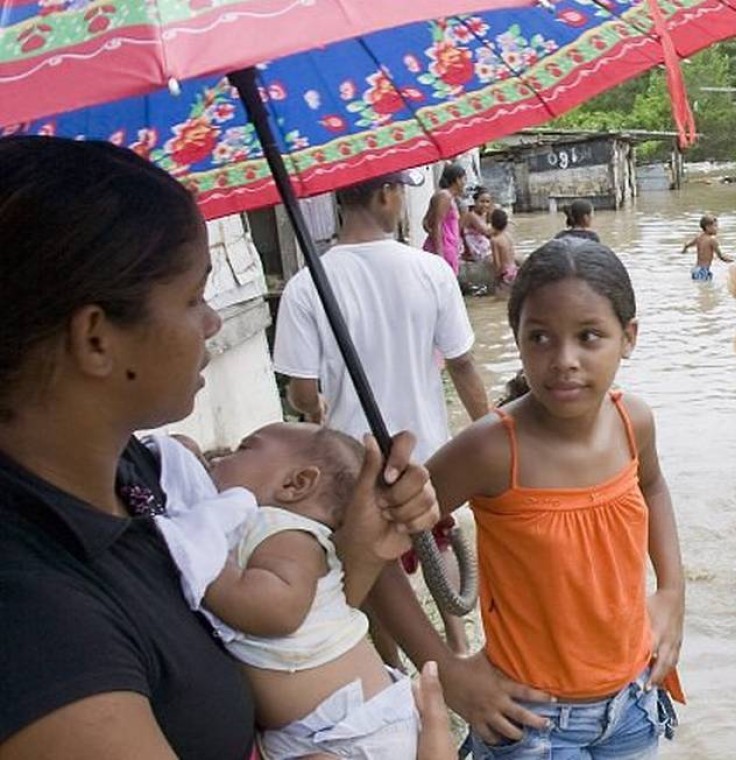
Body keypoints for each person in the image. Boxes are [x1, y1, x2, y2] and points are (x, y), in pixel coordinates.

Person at [0, 136, 444, 759]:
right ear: (96, 339)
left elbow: (280, 645)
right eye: (192, 297)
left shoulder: (148, 478)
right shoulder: (34, 619)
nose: (212, 322)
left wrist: (360, 547)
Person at [424, 239, 686, 758]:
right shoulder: (491, 449)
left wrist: (673, 591)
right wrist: (449, 671)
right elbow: (378, 542)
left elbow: (653, 486)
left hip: (634, 700)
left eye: (590, 337)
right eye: (540, 338)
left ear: (628, 337)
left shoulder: (634, 422)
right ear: (517, 339)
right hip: (532, 719)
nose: (564, 360)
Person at [273, 170, 488, 660]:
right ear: (387, 194)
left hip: (352, 468)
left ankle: (390, 666)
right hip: (429, 457)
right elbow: (463, 365)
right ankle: (459, 649)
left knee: (372, 575)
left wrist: (317, 407)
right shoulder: (431, 271)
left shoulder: (307, 286)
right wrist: (496, 434)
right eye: (400, 193)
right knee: (441, 556)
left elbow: (302, 391)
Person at [154, 424, 422, 759]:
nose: (220, 456)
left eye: (243, 448)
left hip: (354, 732)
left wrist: (203, 563)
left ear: (296, 484)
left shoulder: (286, 533)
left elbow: (280, 611)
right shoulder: (251, 527)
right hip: (320, 732)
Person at [423, 163, 468, 275]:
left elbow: (426, 223)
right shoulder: (445, 196)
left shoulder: (447, 197)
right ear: (457, 180)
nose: (465, 183)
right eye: (464, 179)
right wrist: (439, 252)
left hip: (448, 247)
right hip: (445, 249)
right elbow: (436, 223)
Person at [681, 214, 734, 281]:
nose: (717, 228)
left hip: (696, 269)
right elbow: (721, 257)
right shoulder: (712, 240)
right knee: (704, 289)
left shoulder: (699, 237)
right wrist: (733, 261)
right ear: (708, 227)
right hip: (703, 271)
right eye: (715, 226)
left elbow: (687, 245)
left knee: (700, 287)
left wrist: (684, 250)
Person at [488, 208, 518, 294]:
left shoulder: (494, 240)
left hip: (504, 274)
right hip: (514, 270)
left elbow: (497, 263)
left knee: (500, 297)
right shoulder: (508, 236)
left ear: (492, 223)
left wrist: (496, 278)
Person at [462, 186, 494, 263]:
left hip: (485, 246)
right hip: (477, 250)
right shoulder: (471, 215)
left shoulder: (485, 214)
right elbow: (487, 232)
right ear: (475, 201)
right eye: (482, 201)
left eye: (487, 202)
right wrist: (503, 224)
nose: (485, 205)